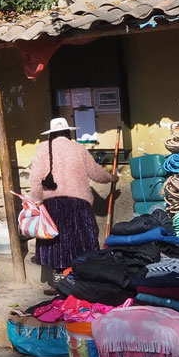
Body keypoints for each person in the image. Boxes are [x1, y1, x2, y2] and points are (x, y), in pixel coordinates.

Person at [28, 117, 116, 281]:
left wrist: (38, 201)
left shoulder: (42, 149)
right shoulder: (78, 148)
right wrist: (111, 178)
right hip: (79, 203)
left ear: (51, 134)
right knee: (82, 242)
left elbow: (35, 178)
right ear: (68, 132)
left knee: (57, 243)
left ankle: (59, 281)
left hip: (52, 203)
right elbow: (96, 173)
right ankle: (80, 279)